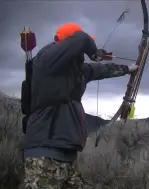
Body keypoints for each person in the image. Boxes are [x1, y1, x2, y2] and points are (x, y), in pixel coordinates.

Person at [21, 23, 138, 189]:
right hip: (44, 155)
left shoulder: (75, 70)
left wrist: (128, 69)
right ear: (68, 43)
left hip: (66, 155)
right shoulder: (45, 61)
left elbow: (100, 70)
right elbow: (81, 39)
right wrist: (93, 52)